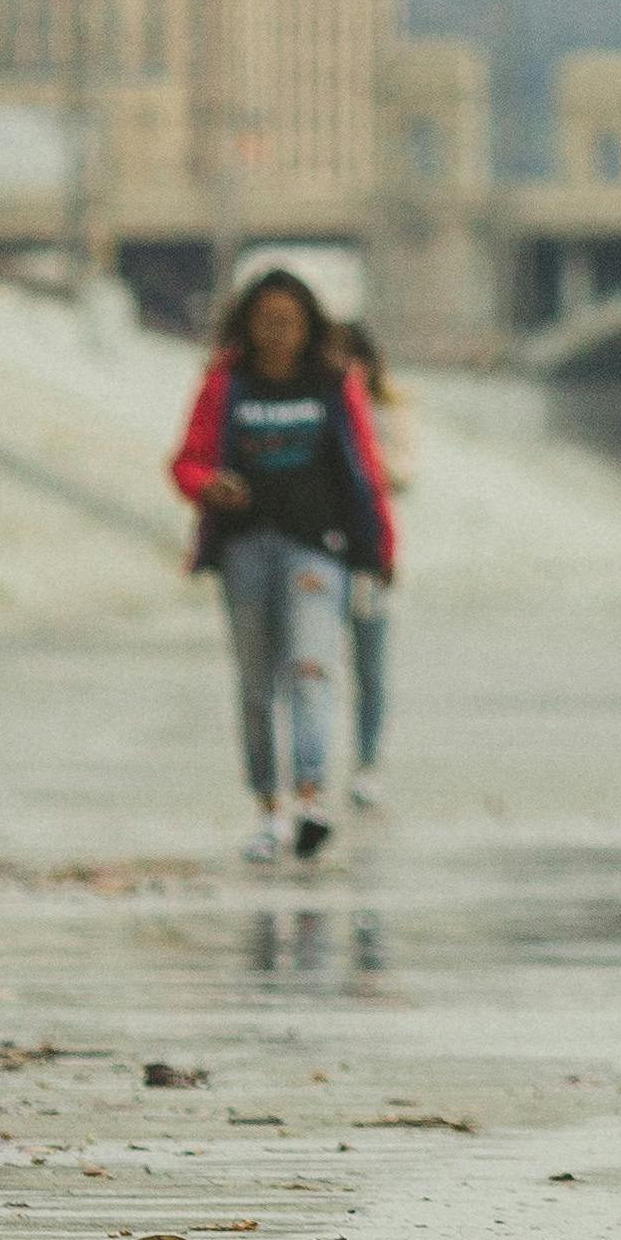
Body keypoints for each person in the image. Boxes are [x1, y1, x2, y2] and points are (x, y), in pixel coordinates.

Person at [167, 268, 394, 867]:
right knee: (255, 685)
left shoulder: (332, 384)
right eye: (265, 321)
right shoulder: (226, 384)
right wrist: (207, 485)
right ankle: (269, 809)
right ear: (246, 323)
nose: (276, 333)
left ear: (307, 325)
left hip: (318, 548)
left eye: (288, 322)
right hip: (244, 549)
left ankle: (313, 799)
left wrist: (380, 552)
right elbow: (185, 462)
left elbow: (365, 470)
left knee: (313, 669)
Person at [333, 319, 411, 812]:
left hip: (368, 554)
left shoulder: (387, 411)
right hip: (318, 548)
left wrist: (360, 460)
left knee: (369, 665)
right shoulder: (320, 408)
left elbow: (404, 473)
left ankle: (367, 763)